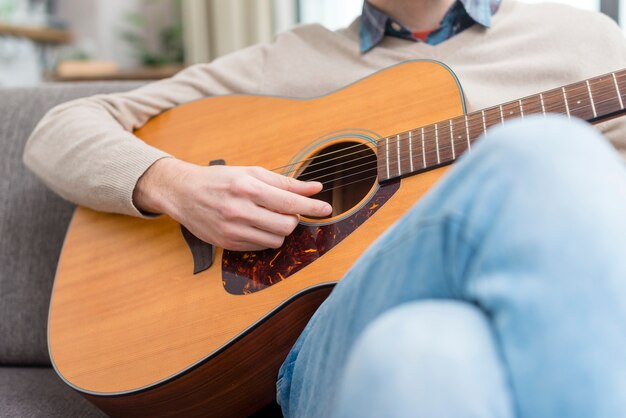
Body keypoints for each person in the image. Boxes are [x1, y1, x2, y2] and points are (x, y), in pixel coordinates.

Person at [23, 0, 626, 417]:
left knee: (424, 354)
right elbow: (59, 129)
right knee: (540, 146)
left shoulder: (587, 42)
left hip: (459, 344)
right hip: (319, 352)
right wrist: (175, 184)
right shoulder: (291, 60)